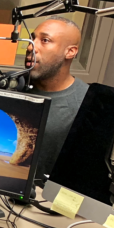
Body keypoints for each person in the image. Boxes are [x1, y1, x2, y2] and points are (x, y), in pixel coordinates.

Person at [25, 16, 90, 185]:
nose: (31, 47)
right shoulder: (10, 86)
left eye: (45, 40)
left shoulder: (87, 104)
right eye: (32, 38)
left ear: (71, 52)